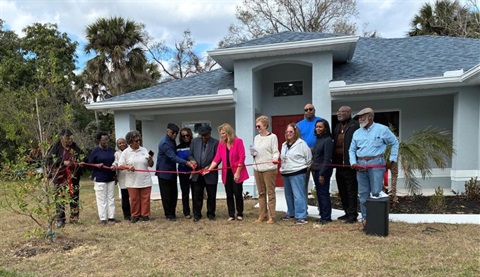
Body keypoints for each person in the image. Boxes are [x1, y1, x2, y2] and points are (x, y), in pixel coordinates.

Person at [349, 108, 399, 224]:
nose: (360, 119)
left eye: (362, 117)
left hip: (376, 162)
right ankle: (365, 218)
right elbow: (351, 150)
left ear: (370, 117)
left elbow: (394, 142)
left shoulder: (382, 129)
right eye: (359, 117)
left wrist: (391, 160)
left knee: (376, 192)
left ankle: (377, 219)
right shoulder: (357, 132)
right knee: (363, 193)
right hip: (360, 164)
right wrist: (353, 163)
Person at [205, 123, 249, 221]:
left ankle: (240, 213)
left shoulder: (238, 141)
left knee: (237, 193)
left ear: (229, 132)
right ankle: (231, 214)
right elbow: (217, 158)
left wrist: (237, 172)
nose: (222, 135)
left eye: (223, 133)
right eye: (221, 133)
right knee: (229, 194)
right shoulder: (221, 144)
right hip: (226, 173)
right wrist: (209, 169)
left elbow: (242, 158)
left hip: (237, 170)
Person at [45, 129, 87, 228]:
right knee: (60, 198)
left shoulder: (74, 147)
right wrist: (63, 162)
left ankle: (74, 218)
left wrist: (82, 162)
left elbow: (84, 157)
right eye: (67, 138)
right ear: (61, 138)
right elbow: (49, 160)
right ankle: (60, 220)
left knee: (74, 197)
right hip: (60, 177)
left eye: (71, 138)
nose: (70, 140)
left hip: (73, 177)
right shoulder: (55, 147)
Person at [155, 123, 195, 221]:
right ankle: (169, 215)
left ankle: (172, 213)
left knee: (174, 194)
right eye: (173, 132)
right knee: (167, 195)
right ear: (167, 131)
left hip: (172, 172)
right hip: (164, 172)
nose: (174, 135)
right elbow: (173, 157)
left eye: (176, 133)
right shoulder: (165, 142)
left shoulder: (171, 141)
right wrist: (187, 163)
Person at [279, 123, 312, 225]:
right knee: (288, 195)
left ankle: (301, 216)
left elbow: (308, 159)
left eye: (291, 132)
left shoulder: (302, 144)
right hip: (286, 172)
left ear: (295, 132)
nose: (288, 134)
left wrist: (303, 168)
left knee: (298, 195)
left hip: (298, 172)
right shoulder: (284, 145)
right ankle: (291, 212)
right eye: (287, 132)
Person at [118, 130, 154, 223]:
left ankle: (145, 215)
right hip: (132, 180)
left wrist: (150, 159)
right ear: (130, 142)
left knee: (145, 198)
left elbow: (150, 165)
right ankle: (135, 215)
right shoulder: (126, 152)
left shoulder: (144, 150)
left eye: (139, 140)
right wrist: (128, 167)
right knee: (134, 199)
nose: (138, 142)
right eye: (136, 140)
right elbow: (120, 165)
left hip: (145, 178)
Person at [333, 106, 360, 224]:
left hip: (350, 165)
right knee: (342, 190)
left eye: (342, 112)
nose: (339, 114)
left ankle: (353, 215)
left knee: (351, 190)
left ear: (349, 113)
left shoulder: (355, 126)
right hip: (339, 165)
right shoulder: (338, 126)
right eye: (338, 112)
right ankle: (346, 212)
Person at [188, 125, 219, 222]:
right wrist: (193, 161)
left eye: (205, 135)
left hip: (210, 173)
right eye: (202, 135)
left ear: (210, 133)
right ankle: (197, 214)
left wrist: (210, 167)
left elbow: (217, 158)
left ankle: (211, 214)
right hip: (197, 173)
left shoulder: (216, 143)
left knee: (211, 195)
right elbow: (190, 155)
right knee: (197, 194)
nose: (203, 137)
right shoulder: (194, 141)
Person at [252, 115, 279, 224]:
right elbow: (255, 151)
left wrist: (275, 158)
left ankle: (272, 216)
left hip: (269, 168)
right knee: (261, 193)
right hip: (257, 167)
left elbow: (275, 151)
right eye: (256, 126)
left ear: (265, 125)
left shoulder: (273, 137)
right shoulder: (256, 138)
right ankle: (262, 215)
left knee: (270, 193)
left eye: (259, 126)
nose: (257, 128)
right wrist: (253, 153)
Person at [88, 131, 120, 224]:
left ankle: (111, 217)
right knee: (101, 199)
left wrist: (114, 166)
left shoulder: (111, 150)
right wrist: (97, 165)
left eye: (107, 139)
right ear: (99, 140)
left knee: (111, 198)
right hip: (100, 178)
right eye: (103, 140)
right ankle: (103, 218)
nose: (106, 141)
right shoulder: (95, 151)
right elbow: (89, 163)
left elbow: (116, 161)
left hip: (110, 177)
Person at [296, 103, 324, 203]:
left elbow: (325, 139)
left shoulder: (321, 122)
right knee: (303, 185)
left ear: (314, 110)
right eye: (306, 110)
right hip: (303, 160)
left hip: (317, 158)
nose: (308, 111)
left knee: (320, 186)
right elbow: (296, 142)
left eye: (310, 109)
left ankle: (322, 211)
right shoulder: (299, 125)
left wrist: (314, 149)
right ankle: (303, 210)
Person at [311, 119, 334, 224]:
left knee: (324, 194)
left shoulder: (328, 140)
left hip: (323, 171)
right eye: (317, 127)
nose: (318, 129)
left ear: (325, 128)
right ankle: (322, 215)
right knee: (319, 194)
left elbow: (327, 158)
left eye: (320, 127)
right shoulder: (318, 139)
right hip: (316, 170)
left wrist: (322, 174)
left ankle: (326, 217)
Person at [176, 127, 193, 219]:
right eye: (183, 136)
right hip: (183, 173)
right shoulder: (178, 148)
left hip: (194, 172)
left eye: (187, 135)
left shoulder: (194, 145)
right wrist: (187, 162)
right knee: (185, 193)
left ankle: (196, 211)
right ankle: (186, 212)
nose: (186, 137)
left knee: (195, 193)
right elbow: (179, 160)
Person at [114, 137, 131, 220]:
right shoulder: (116, 154)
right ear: (117, 145)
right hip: (122, 177)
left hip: (132, 177)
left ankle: (135, 213)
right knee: (125, 197)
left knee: (133, 197)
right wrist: (115, 177)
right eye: (120, 143)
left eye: (123, 142)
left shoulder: (130, 152)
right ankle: (127, 215)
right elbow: (116, 165)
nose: (122, 144)